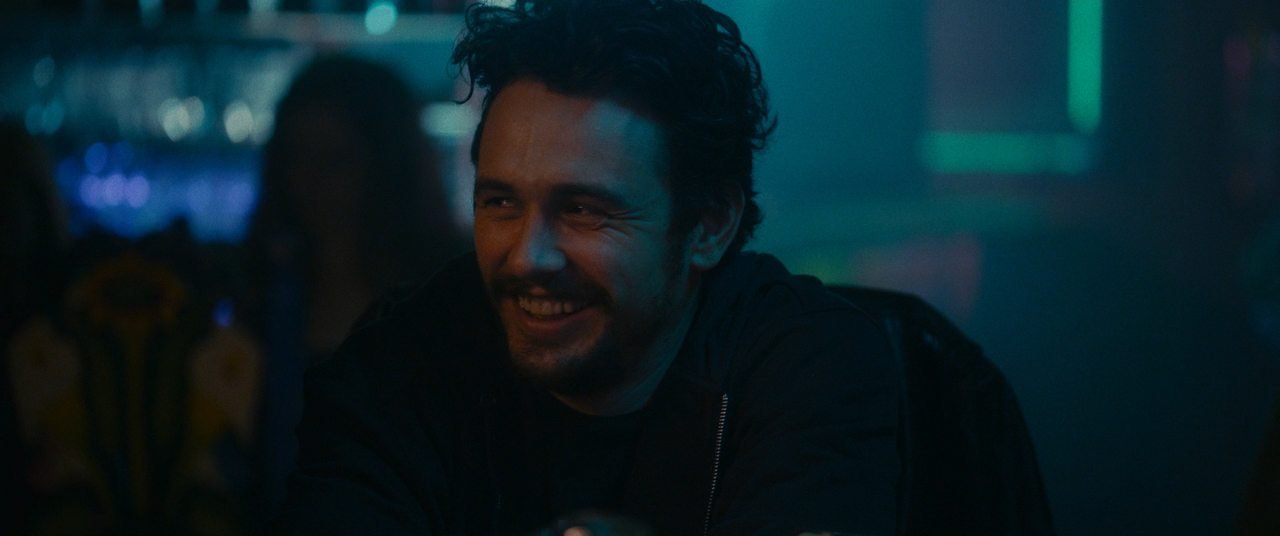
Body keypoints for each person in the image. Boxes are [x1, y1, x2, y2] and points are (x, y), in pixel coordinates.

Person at [277, 1, 900, 534]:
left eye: (582, 210)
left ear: (709, 225)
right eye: (501, 204)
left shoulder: (808, 362)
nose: (529, 256)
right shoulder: (402, 362)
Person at [241, 54, 466, 515]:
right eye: (295, 157)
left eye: (333, 161)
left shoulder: (444, 302)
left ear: (386, 168)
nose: (307, 181)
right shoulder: (262, 299)